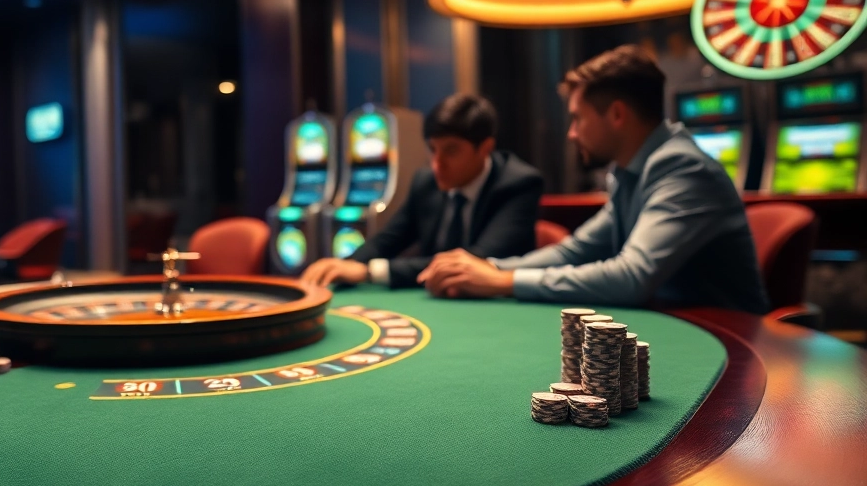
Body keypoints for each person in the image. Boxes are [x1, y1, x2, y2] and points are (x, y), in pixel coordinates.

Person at [418, 45, 770, 314]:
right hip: (678, 326)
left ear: (617, 114)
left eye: (578, 119)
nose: (571, 134)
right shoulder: (629, 172)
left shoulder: (682, 168)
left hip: (729, 346)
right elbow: (577, 251)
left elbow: (632, 277)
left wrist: (503, 281)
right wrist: (486, 268)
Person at [301, 93, 543, 288]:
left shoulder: (518, 184)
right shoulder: (425, 182)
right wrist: (344, 266)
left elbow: (474, 260)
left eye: (451, 151)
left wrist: (368, 271)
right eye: (432, 149)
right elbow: (388, 240)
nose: (437, 164)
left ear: (485, 148)